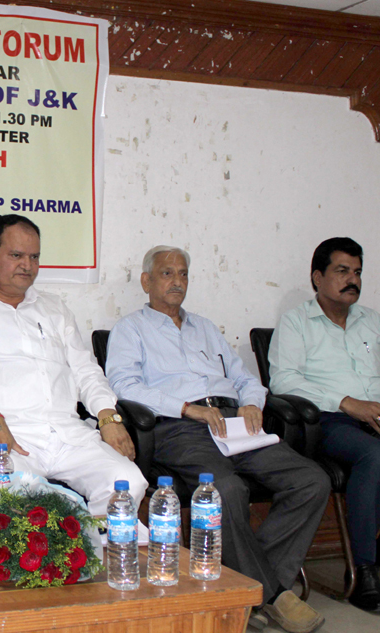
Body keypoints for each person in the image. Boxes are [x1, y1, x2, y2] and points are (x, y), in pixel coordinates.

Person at [107, 245, 330, 633]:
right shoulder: (131, 329)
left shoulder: (206, 328)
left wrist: (252, 403)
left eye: (183, 274)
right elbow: (124, 386)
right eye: (167, 273)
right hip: (178, 427)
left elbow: (245, 378)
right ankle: (273, 596)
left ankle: (251, 582)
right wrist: (186, 408)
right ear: (145, 281)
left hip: (233, 422)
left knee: (312, 480)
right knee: (225, 489)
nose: (177, 281)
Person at [0, 214, 147, 516]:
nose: (27, 265)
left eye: (34, 257)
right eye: (16, 255)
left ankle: (93, 544)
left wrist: (108, 416)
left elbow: (85, 370)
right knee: (26, 503)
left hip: (69, 434)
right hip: (7, 437)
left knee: (128, 483)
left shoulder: (54, 308)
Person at [269, 237, 380, 611]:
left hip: (375, 414)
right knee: (374, 456)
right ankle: (365, 570)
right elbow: (283, 380)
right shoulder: (297, 322)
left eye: (358, 272)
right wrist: (347, 403)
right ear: (317, 277)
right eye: (342, 271)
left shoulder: (372, 321)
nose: (353, 280)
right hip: (327, 421)